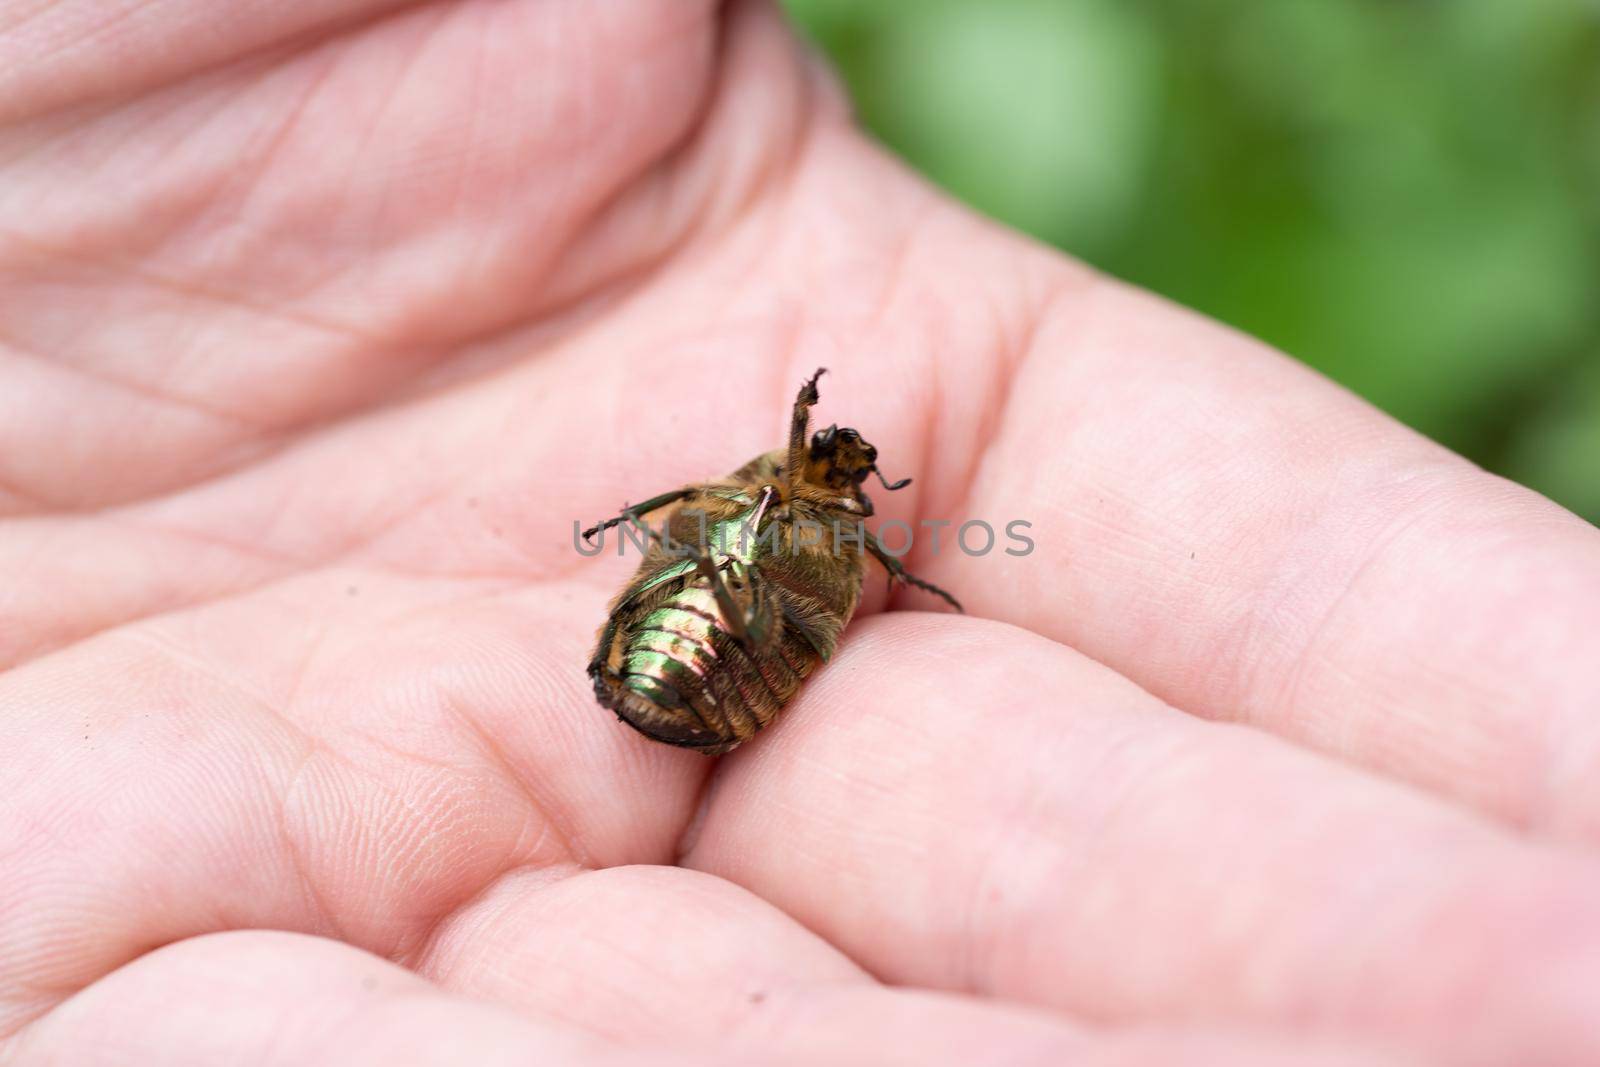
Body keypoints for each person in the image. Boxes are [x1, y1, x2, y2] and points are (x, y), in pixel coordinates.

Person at [2, 1, 1597, 1063]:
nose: (832, 457)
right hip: (691, 631)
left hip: (706, 633)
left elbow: (787, 556)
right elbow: (735, 528)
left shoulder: (817, 536)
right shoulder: (795, 514)